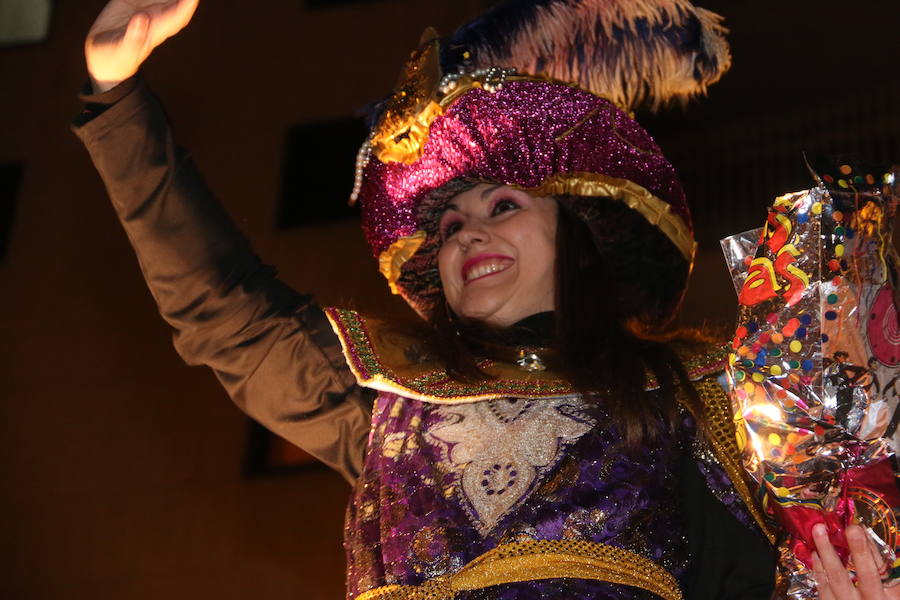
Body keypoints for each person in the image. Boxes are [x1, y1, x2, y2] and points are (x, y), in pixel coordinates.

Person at [75, 1, 898, 598]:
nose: (468, 234)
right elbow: (220, 306)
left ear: (578, 233)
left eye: (502, 205)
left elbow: (777, 565)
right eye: (450, 226)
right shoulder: (388, 396)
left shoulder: (697, 392)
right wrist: (115, 100)